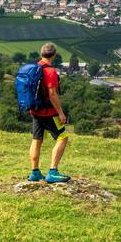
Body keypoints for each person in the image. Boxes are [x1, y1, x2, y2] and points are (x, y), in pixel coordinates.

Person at [28, 43, 72, 184]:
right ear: (54, 55)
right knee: (62, 137)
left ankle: (35, 172)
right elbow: (52, 94)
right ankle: (53, 171)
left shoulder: (34, 69)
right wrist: (60, 113)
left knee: (37, 140)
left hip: (35, 110)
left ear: (41, 54)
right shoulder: (50, 71)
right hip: (49, 112)